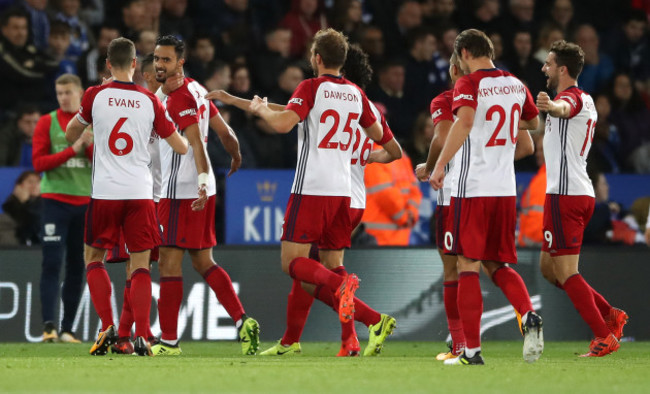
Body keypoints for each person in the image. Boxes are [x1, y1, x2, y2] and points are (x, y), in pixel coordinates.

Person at [248, 29, 400, 355]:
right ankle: (359, 332)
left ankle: (343, 290)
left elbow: (283, 124)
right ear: (342, 60)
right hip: (343, 191)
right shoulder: (357, 95)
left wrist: (261, 110)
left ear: (317, 58)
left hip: (312, 187)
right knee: (330, 264)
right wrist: (369, 156)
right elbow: (392, 148)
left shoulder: (311, 87)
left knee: (292, 263)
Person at [65, 37, 188, 357]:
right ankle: (143, 336)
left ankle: (108, 326)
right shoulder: (150, 101)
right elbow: (180, 146)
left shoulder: (95, 95)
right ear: (135, 64)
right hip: (140, 194)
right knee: (140, 264)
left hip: (105, 192)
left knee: (93, 258)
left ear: (108, 64)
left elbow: (70, 135)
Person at [430, 29, 543, 365]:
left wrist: (438, 168)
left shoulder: (468, 84)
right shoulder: (515, 83)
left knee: (467, 264)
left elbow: (463, 122)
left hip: (473, 187)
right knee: (499, 263)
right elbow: (533, 124)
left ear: (464, 53)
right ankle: (527, 315)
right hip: (505, 189)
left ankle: (472, 351)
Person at [151, 35, 259, 356]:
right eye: (157, 58)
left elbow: (197, 142)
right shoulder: (197, 89)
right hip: (203, 188)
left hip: (181, 190)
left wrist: (199, 179)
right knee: (202, 260)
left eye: (166, 60)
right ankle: (242, 321)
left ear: (180, 62)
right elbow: (225, 132)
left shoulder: (180, 98)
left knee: (169, 263)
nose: (159, 64)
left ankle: (169, 341)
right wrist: (236, 155)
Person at [536, 40, 627, 357]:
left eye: (548, 63)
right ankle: (610, 314)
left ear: (562, 69)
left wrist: (552, 107)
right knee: (549, 269)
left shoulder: (571, 99)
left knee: (566, 272)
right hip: (567, 192)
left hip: (567, 195)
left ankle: (604, 335)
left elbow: (563, 109)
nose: (543, 68)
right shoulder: (582, 99)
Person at [108, 53, 162, 355]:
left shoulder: (151, 106)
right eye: (152, 75)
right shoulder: (147, 107)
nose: (155, 79)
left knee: (139, 267)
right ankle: (134, 333)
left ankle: (127, 334)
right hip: (142, 197)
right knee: (136, 267)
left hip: (149, 196)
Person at [32, 74, 92, 344]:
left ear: (80, 93)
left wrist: (89, 148)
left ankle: (68, 329)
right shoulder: (47, 122)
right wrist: (74, 148)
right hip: (55, 201)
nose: (63, 98)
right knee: (52, 263)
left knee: (78, 266)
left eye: (68, 92)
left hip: (84, 203)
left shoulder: (91, 123)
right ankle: (48, 327)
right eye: (59, 93)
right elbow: (39, 164)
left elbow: (101, 162)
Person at [1, 170, 41, 245]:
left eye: (38, 182)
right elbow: (21, 223)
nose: (35, 185)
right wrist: (23, 202)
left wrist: (26, 202)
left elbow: (36, 224)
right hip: (17, 241)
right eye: (30, 182)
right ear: (19, 186)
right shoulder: (11, 204)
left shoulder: (46, 204)